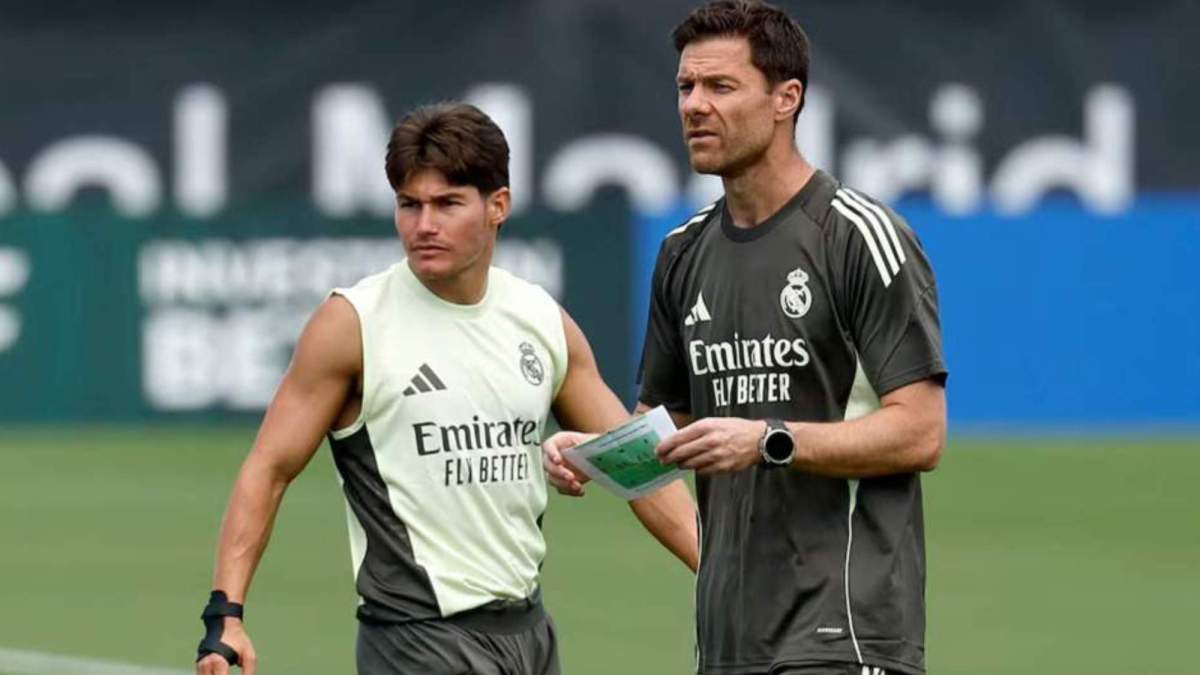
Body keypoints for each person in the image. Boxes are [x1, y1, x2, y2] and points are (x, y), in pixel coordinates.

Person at [194, 102, 698, 675]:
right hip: (416, 640)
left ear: (498, 207)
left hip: (529, 636)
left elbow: (636, 465)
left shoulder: (539, 319)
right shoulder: (352, 325)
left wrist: (719, 577)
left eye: (447, 204)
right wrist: (225, 614)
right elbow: (268, 469)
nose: (423, 224)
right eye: (409, 205)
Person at [543, 2, 948, 674]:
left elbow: (921, 432)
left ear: (787, 98)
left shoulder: (857, 236)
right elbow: (668, 432)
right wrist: (597, 455)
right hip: (727, 640)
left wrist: (768, 439)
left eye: (720, 87)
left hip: (843, 633)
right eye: (685, 88)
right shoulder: (683, 252)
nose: (695, 106)